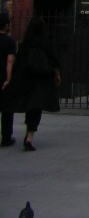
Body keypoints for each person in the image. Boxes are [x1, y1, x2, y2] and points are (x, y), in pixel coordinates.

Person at [8, 17, 60, 151]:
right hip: (41, 80)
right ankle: (30, 136)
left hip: (27, 80)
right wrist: (57, 74)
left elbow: (18, 62)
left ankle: (28, 133)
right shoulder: (45, 42)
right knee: (36, 108)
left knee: (29, 107)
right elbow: (54, 60)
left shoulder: (25, 44)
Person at [0, 12, 16, 146]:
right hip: (3, 77)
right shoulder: (10, 41)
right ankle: (6, 137)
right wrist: (8, 79)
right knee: (6, 109)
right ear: (6, 26)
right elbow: (10, 61)